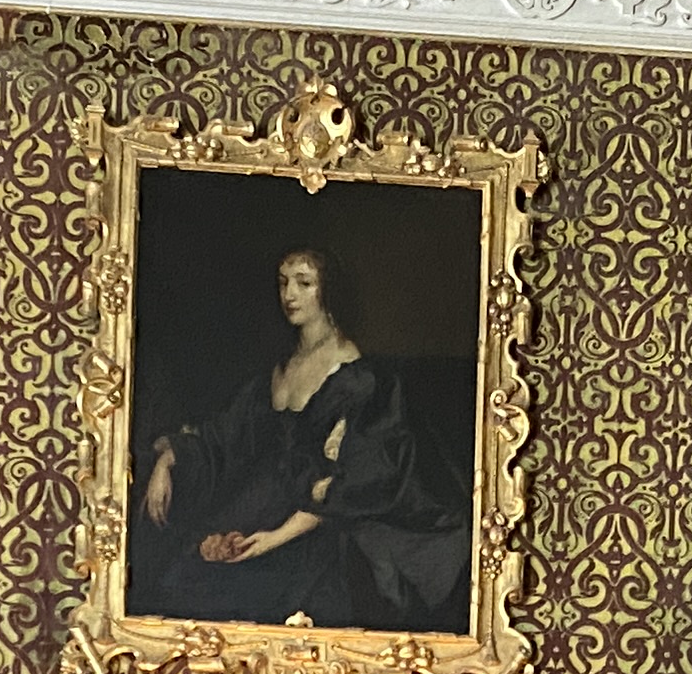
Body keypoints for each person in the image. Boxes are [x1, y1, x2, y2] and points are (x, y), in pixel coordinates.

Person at [132, 244, 466, 633]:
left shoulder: (358, 379)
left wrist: (272, 539)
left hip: (312, 531)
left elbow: (355, 480)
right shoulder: (280, 368)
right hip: (259, 509)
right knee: (182, 583)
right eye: (283, 282)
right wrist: (169, 458)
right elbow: (226, 438)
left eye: (304, 283)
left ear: (328, 290)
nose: (289, 294)